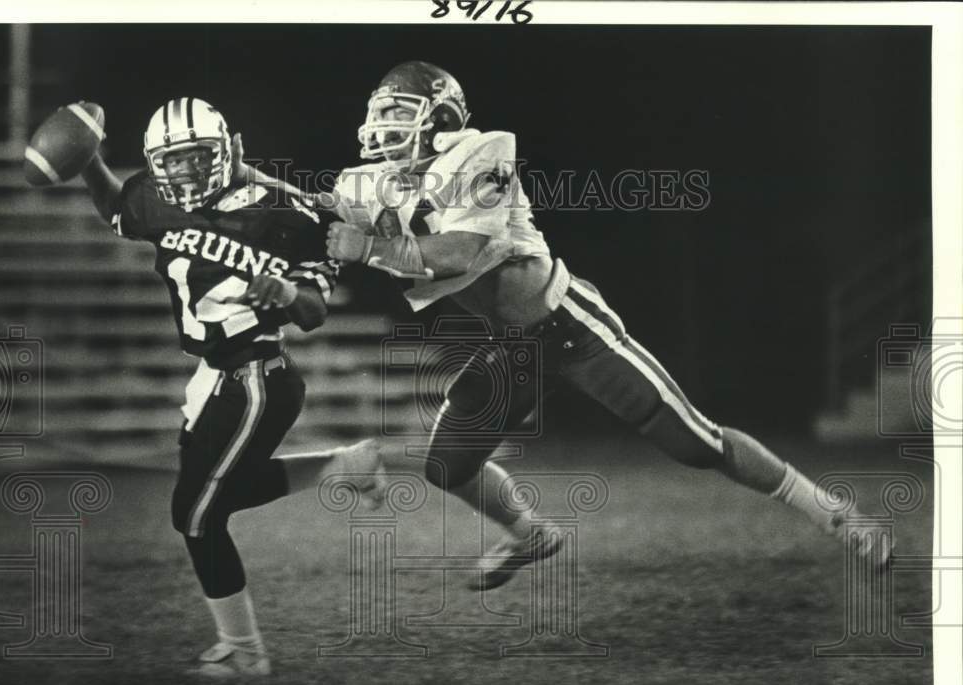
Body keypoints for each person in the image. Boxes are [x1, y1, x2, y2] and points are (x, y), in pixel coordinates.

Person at [321, 61, 890, 590]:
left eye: (397, 111)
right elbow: (315, 216)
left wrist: (367, 246)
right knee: (448, 466)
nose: (380, 125)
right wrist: (248, 183)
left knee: (696, 444)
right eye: (380, 111)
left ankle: (839, 517)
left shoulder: (479, 153)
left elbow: (457, 253)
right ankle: (530, 534)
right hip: (514, 346)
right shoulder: (373, 184)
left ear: (440, 117)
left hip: (569, 326)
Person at [78, 97, 385, 675]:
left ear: (233, 147)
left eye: (199, 158)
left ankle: (244, 654)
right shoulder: (155, 195)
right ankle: (343, 466)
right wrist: (87, 157)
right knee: (217, 492)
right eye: (174, 161)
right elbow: (118, 211)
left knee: (195, 514)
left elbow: (316, 312)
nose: (187, 173)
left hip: (256, 379)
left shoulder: (288, 213)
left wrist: (289, 293)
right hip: (213, 376)